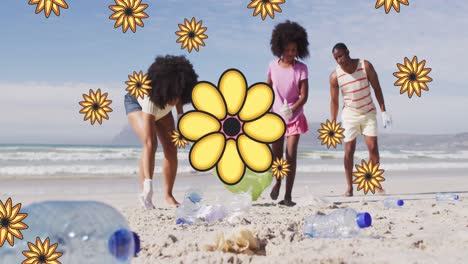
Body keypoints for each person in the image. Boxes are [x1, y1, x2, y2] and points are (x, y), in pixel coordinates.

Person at [124, 55, 198, 209]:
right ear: (166, 90)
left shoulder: (177, 91)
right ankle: (146, 194)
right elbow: (150, 143)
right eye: (174, 96)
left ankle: (169, 195)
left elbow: (178, 104)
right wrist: (149, 183)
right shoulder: (150, 100)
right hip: (137, 103)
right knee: (149, 141)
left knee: (171, 147)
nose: (176, 100)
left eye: (179, 96)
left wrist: (180, 116)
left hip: (161, 108)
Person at [329, 43, 391, 197]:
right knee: (349, 151)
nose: (340, 60)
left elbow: (377, 88)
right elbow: (334, 101)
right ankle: (349, 188)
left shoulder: (365, 66)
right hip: (349, 115)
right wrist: (333, 121)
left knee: (373, 148)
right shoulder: (335, 76)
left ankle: (376, 184)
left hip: (368, 112)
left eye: (341, 56)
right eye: (336, 58)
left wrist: (383, 111)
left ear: (348, 52)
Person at [267, 20, 310, 207]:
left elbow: (304, 96)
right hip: (275, 118)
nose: (291, 53)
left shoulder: (301, 69)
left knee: (290, 154)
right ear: (279, 48)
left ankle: (288, 196)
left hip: (294, 117)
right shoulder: (272, 66)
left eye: (294, 50)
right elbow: (266, 91)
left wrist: (292, 110)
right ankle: (277, 182)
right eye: (287, 50)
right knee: (276, 156)